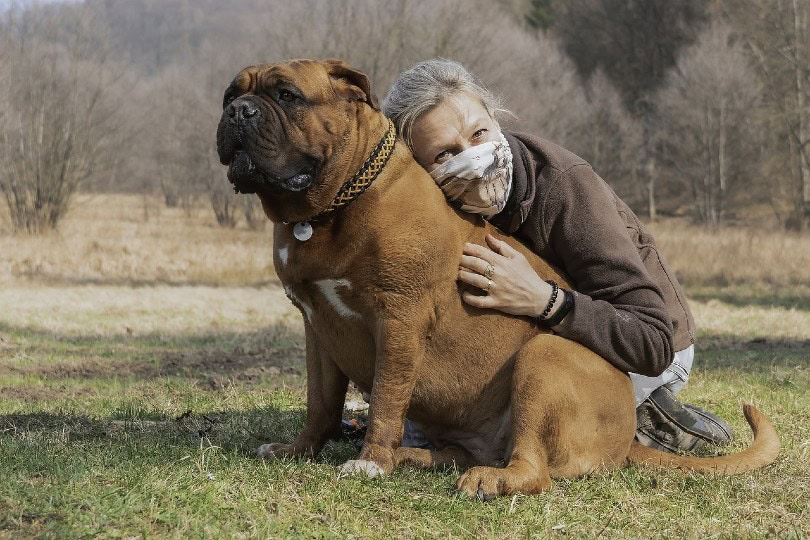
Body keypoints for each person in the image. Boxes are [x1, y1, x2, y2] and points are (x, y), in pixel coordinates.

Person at [381, 59, 733, 453]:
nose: (473, 158)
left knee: (526, 433)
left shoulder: (565, 187)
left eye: (480, 133)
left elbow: (651, 341)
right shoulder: (434, 206)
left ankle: (645, 418)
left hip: (648, 349)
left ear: (496, 119)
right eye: (445, 155)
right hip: (537, 344)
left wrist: (544, 300)